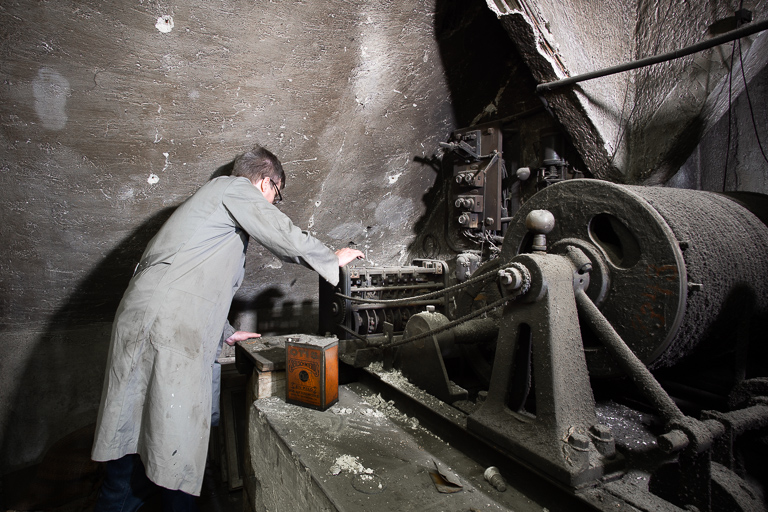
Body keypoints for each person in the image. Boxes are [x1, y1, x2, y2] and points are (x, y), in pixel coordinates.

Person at [91, 146, 364, 510]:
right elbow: (281, 234)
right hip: (163, 326)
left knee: (139, 435)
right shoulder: (233, 189)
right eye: (276, 195)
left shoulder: (211, 209)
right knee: (170, 442)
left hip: (155, 320)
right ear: (266, 181)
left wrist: (224, 332)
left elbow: (191, 278)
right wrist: (332, 258)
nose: (273, 203)